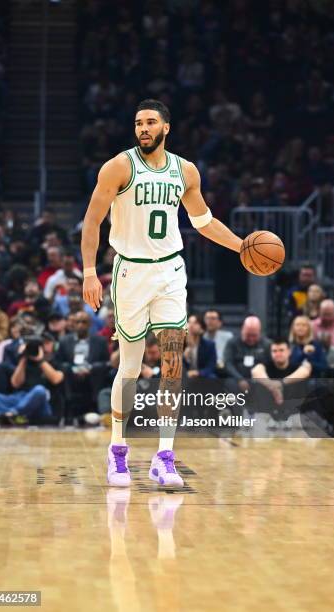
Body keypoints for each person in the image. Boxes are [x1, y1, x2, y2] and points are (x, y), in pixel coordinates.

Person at [81, 98, 243, 487]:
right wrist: (88, 272)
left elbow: (203, 221)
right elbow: (93, 220)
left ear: (166, 127)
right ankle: (118, 449)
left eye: (151, 122)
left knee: (173, 362)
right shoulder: (119, 166)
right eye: (138, 123)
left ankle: (164, 456)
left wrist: (240, 246)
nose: (143, 129)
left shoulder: (185, 171)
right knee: (131, 368)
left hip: (170, 270)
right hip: (130, 272)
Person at [0, 333, 64, 425]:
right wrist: (23, 358)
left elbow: (56, 379)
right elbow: (15, 383)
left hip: (40, 403)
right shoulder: (24, 361)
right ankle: (12, 415)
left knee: (39, 390)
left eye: (46, 343)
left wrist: (41, 360)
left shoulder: (56, 361)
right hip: (19, 398)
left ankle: (11, 414)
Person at [251, 338, 312, 428]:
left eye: (281, 350)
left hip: (291, 409)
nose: (278, 354)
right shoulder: (266, 365)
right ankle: (266, 418)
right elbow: (255, 371)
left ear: (289, 352)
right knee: (260, 382)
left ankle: (294, 417)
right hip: (269, 409)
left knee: (300, 381)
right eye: (274, 351)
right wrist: (272, 386)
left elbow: (306, 370)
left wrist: (281, 383)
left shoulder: (295, 366)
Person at [223, 316, 271, 393]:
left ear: (259, 332)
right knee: (229, 384)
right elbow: (228, 364)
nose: (251, 338)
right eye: (248, 335)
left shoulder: (267, 344)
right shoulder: (232, 343)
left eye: (254, 335)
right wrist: (240, 379)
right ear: (242, 330)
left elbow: (269, 364)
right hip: (237, 378)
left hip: (259, 379)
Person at [183, 314, 216, 379]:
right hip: (184, 376)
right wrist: (184, 357)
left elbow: (211, 367)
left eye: (195, 323)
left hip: (201, 376)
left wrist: (198, 373)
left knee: (212, 377)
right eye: (189, 322)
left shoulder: (209, 345)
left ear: (202, 328)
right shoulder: (179, 344)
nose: (191, 325)